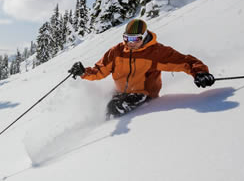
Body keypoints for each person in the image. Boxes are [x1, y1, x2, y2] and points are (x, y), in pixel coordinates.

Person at [68, 19, 215, 118]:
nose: (130, 43)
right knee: (104, 108)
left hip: (144, 94)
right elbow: (99, 71)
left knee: (114, 109)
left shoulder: (156, 52)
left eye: (135, 39)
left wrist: (200, 72)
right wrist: (84, 72)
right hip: (122, 92)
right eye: (126, 38)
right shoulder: (116, 52)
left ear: (144, 36)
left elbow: (185, 61)